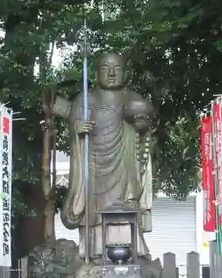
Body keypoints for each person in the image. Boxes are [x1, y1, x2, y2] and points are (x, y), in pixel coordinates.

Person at [43, 52, 155, 260]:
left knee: (127, 205)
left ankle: (133, 247)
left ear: (125, 73)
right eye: (105, 69)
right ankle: (91, 249)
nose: (111, 74)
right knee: (93, 208)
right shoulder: (86, 99)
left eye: (117, 69)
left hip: (124, 163)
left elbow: (145, 125)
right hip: (94, 167)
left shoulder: (133, 99)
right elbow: (74, 125)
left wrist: (141, 127)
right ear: (96, 73)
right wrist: (77, 128)